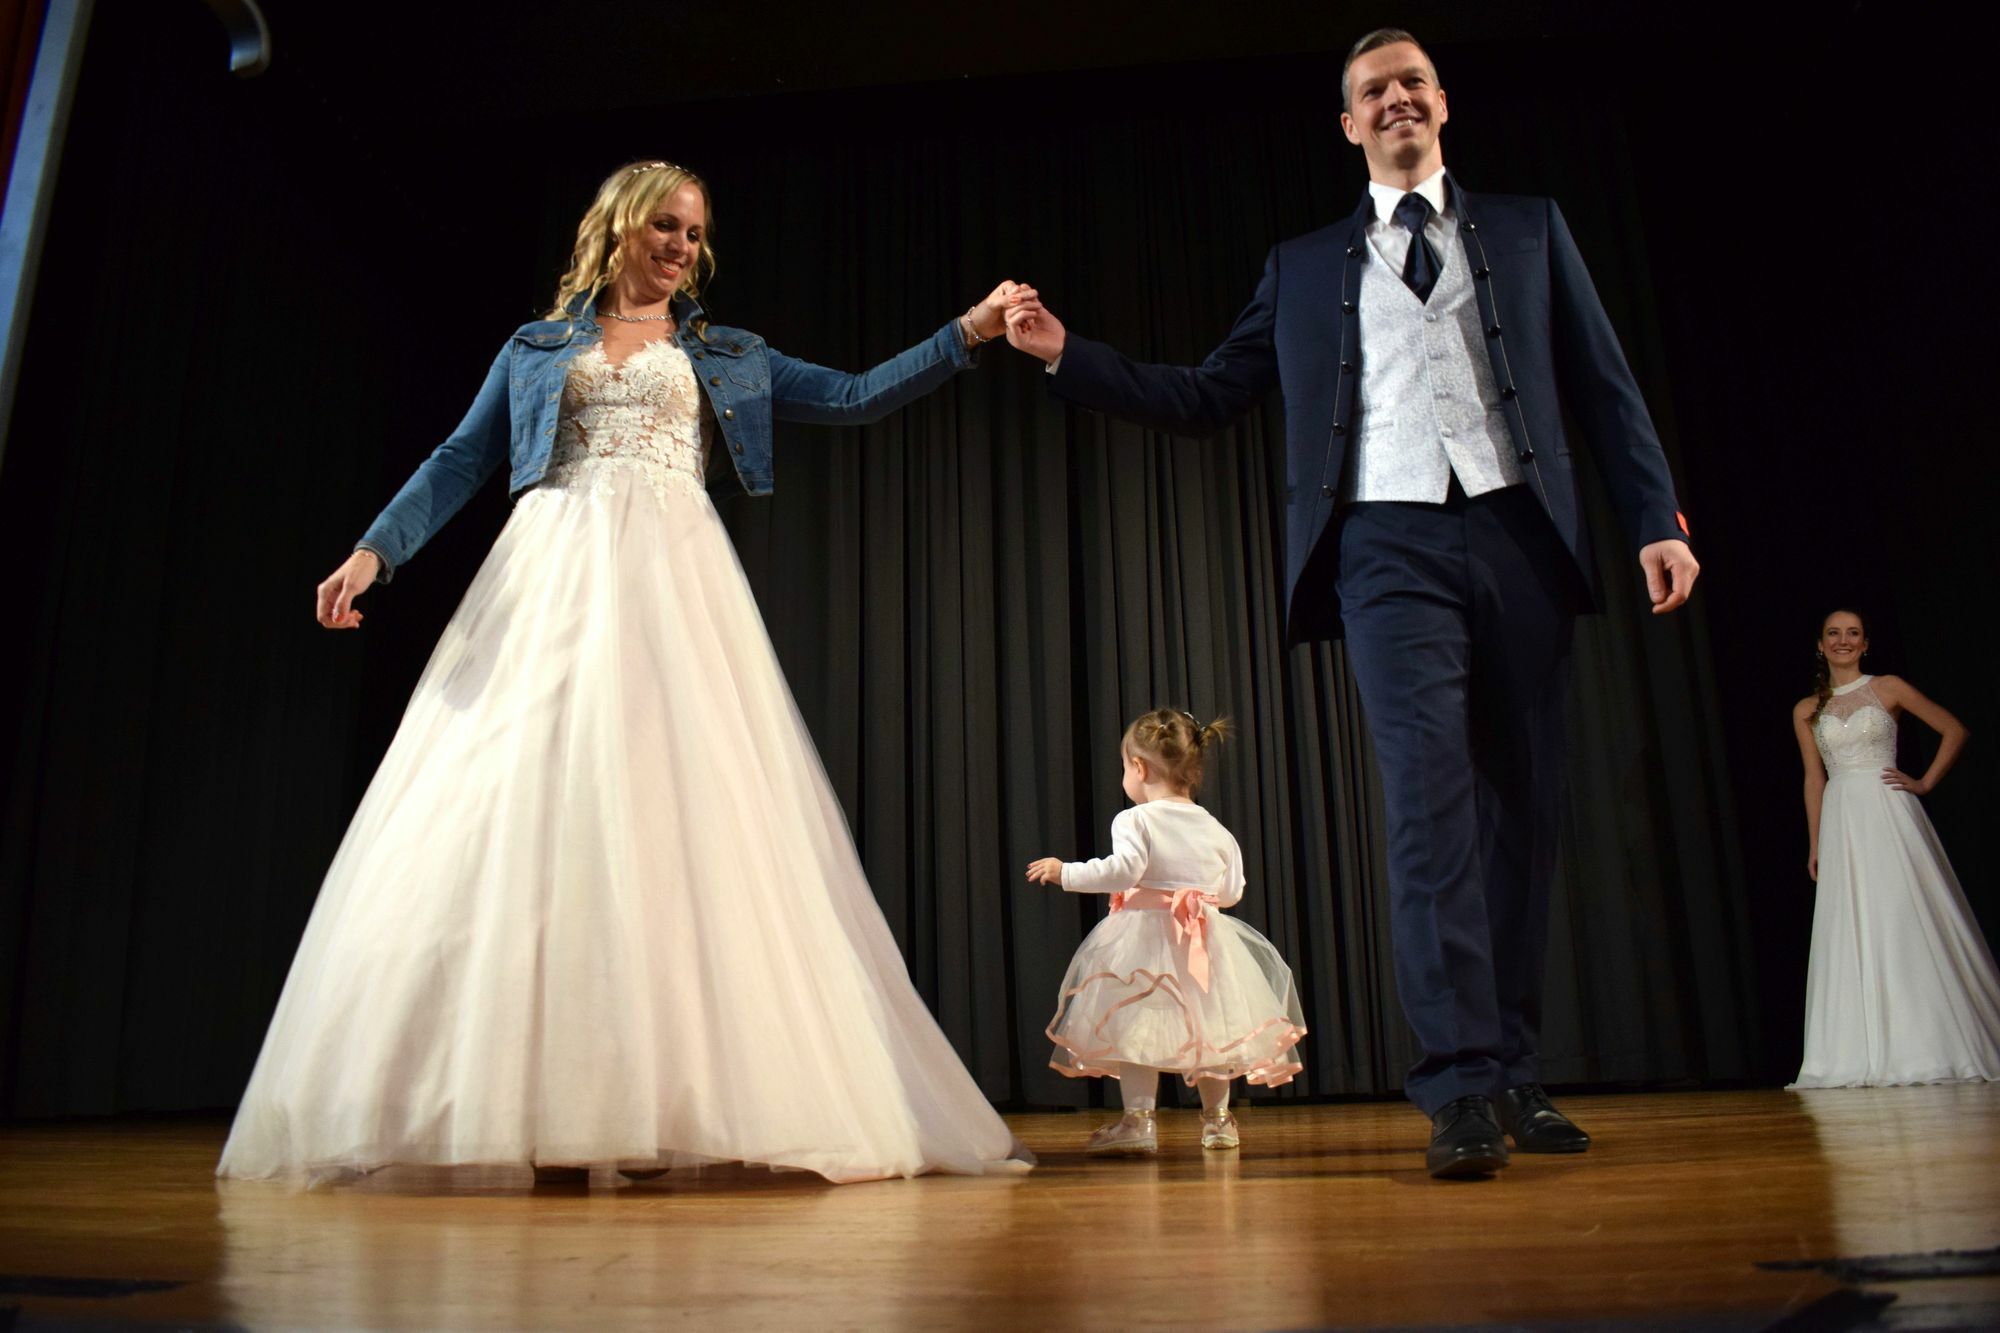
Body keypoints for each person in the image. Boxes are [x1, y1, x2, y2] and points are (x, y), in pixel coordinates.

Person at [218, 160, 1035, 1185]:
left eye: (693, 233)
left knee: (666, 820)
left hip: (672, 583)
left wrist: (966, 333)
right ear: (618, 227)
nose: (681, 247)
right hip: (550, 574)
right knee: (528, 815)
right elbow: (460, 459)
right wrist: (373, 552)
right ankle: (528, 1100)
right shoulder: (534, 347)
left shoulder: (725, 354)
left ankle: (658, 1099)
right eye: (665, 226)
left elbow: (855, 395)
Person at [1003, 29, 1700, 1177]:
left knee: (1518, 811)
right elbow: (1206, 394)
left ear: (1441, 102)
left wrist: (1653, 518)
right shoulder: (1304, 265)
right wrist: (1065, 352)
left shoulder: (1528, 229)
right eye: (1372, 91)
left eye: (1411, 83)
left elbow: (1603, 386)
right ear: (1346, 123)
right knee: (1428, 810)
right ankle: (1457, 1084)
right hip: (1384, 546)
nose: (1394, 101)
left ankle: (1513, 1069)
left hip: (1516, 534)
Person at [1027, 709, 1305, 1155]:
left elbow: (1123, 871)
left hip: (1145, 939)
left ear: (1138, 768)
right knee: (1215, 1028)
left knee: (1136, 1025)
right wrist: (1195, 896)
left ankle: (1138, 1122)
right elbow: (1231, 892)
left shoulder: (1134, 820)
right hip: (1205, 940)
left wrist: (1067, 872)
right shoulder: (1215, 827)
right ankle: (1218, 1121)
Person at [1790, 609, 1998, 1086]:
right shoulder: (1806, 709)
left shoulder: (1888, 687)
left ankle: (1925, 1040)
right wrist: (1815, 842)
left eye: (1853, 633)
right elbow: (1813, 779)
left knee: (1902, 917)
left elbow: (1953, 729)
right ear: (1820, 645)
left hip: (1888, 813)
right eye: (1834, 633)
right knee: (1853, 924)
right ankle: (1859, 1048)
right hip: (1842, 820)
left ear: (1866, 644)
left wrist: (1923, 782)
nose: (1843, 640)